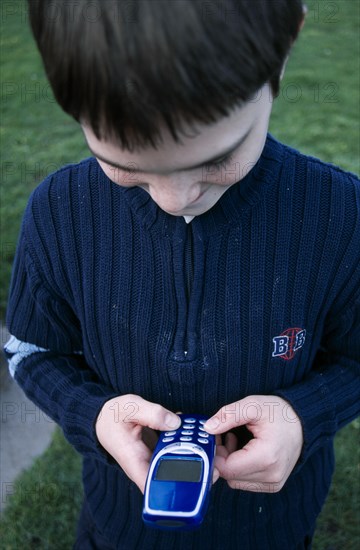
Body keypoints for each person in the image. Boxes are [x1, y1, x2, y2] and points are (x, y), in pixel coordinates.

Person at [4, 1, 359, 548]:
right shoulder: (59, 212)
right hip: (117, 527)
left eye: (217, 157)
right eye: (127, 167)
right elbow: (32, 350)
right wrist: (94, 415)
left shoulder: (340, 215)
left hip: (272, 529)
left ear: (284, 49)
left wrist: (305, 416)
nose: (175, 199)